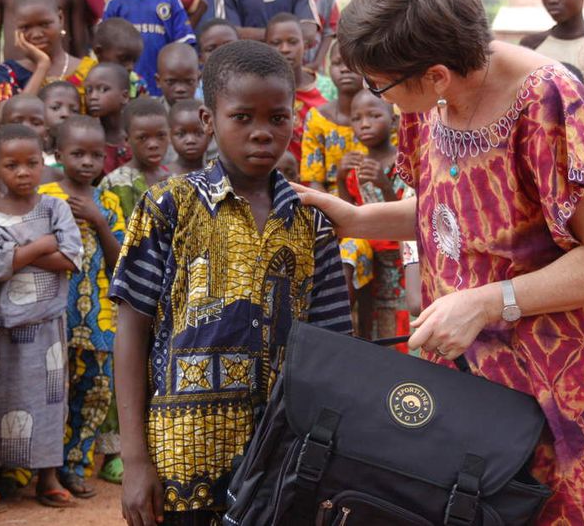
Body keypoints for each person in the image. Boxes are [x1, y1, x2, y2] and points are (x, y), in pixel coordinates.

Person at [296, 0, 584, 523]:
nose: (381, 98)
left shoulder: (551, 108)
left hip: (575, 399)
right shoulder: (429, 99)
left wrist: (487, 301)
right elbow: (456, 214)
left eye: (381, 85)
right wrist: (356, 219)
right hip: (482, 388)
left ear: (438, 74)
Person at [110, 40, 352, 525]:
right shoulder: (168, 207)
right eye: (242, 117)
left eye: (277, 118)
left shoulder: (313, 221)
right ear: (208, 121)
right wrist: (135, 460)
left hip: (282, 452)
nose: (262, 133)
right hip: (182, 453)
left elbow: (333, 346)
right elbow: (131, 332)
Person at [0, 123, 83, 513]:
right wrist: (41, 244)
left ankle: (47, 477)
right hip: (3, 328)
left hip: (48, 323)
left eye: (31, 163)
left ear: (43, 162)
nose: (23, 172)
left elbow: (72, 257)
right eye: (12, 165)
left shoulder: (55, 207)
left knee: (51, 400)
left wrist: (19, 251)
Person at [36, 114, 124, 497]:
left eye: (95, 155)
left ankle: (75, 465)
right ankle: (39, 469)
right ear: (58, 154)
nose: (87, 162)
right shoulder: (44, 197)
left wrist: (100, 222)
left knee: (94, 394)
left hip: (100, 320)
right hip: (52, 318)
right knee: (48, 393)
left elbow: (120, 259)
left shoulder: (109, 201)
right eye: (78, 153)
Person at [342, 89, 412, 342]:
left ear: (393, 121)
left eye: (373, 116)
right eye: (357, 118)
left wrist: (384, 185)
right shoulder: (356, 166)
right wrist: (341, 178)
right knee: (371, 319)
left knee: (400, 319)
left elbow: (409, 217)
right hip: (370, 258)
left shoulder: (404, 162)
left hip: (401, 258)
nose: (365, 124)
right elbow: (347, 215)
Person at [0, 0, 85, 106]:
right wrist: (42, 65)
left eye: (44, 24)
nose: (36, 34)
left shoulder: (88, 71)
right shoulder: (8, 72)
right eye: (25, 27)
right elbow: (6, 117)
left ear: (60, 19)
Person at [301, 45, 366, 195]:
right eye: (337, 63)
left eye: (352, 63)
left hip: (381, 203)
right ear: (329, 69)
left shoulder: (388, 113)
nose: (344, 69)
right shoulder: (317, 118)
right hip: (332, 205)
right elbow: (314, 182)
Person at [265, 12, 326, 162]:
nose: (285, 49)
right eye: (276, 43)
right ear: (266, 46)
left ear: (305, 45)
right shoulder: (260, 90)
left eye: (292, 42)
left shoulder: (328, 88)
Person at [99, 98, 170, 220]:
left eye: (161, 135)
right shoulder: (115, 182)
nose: (153, 144)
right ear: (127, 140)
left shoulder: (174, 178)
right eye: (143, 138)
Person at [72, 17, 147, 102]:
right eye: (123, 58)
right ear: (98, 52)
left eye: (134, 60)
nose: (130, 67)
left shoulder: (136, 83)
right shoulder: (81, 79)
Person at [0, 93, 63, 183]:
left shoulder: (57, 175)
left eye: (36, 123)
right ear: (2, 129)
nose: (26, 127)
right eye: (17, 122)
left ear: (46, 132)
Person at [84, 62, 132, 177]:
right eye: (89, 91)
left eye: (103, 89)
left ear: (124, 96)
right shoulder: (87, 136)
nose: (93, 97)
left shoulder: (136, 135)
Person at [165, 98, 210, 176]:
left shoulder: (218, 176)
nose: (190, 140)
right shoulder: (162, 176)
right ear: (169, 136)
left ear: (210, 133)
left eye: (199, 133)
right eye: (181, 134)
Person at [155, 41, 200, 107]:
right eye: (171, 82)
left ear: (198, 80)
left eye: (189, 81)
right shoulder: (151, 114)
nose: (180, 89)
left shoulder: (208, 114)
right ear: (158, 81)